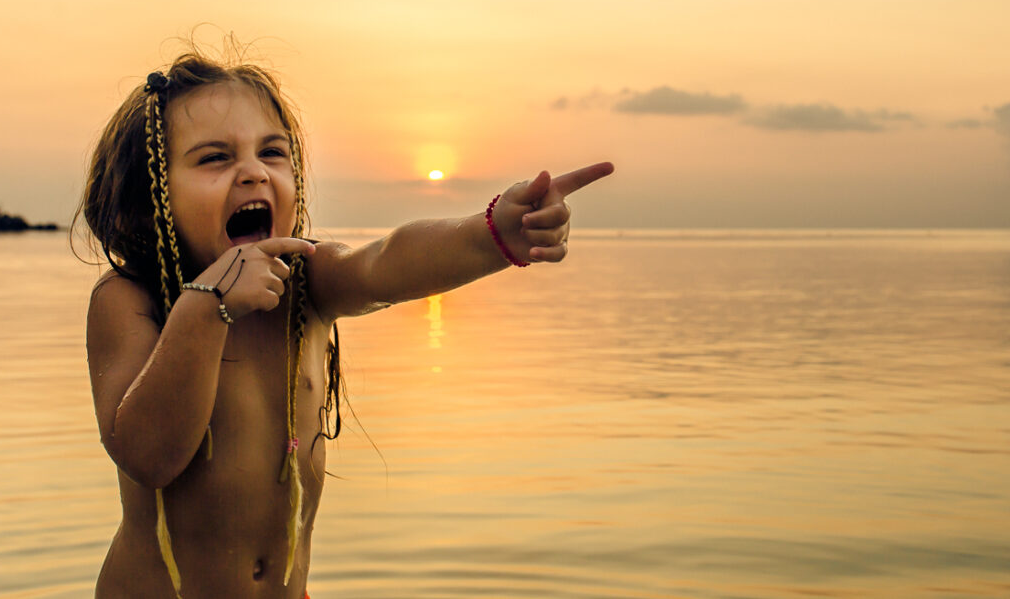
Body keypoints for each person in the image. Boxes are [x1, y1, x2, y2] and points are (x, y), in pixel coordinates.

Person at [76, 48, 613, 598]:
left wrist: (493, 233)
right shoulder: (132, 300)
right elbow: (149, 456)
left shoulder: (303, 283)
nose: (254, 172)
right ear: (147, 201)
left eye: (273, 152)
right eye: (215, 158)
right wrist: (204, 304)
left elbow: (384, 263)